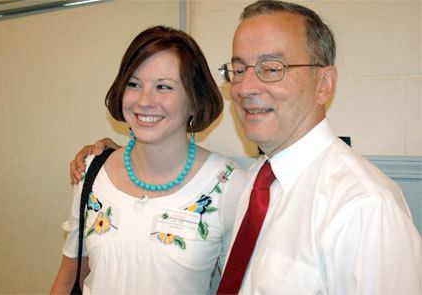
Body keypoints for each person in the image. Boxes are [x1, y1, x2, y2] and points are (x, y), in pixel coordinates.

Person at [70, 1, 421, 294]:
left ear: (324, 84)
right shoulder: (258, 183)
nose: (245, 87)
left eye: (272, 68)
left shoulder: (364, 207)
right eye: (238, 69)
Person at [52, 25, 246, 294]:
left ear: (194, 99)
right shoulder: (91, 171)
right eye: (134, 84)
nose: (145, 100)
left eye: (163, 87)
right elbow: (67, 279)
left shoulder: (228, 185)